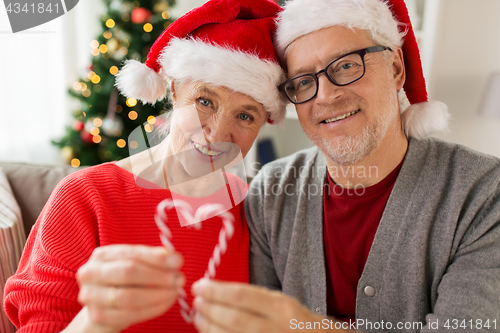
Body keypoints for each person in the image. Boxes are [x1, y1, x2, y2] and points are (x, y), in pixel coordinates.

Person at [189, 0, 500, 332]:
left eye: (347, 66)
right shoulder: (271, 192)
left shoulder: (483, 194)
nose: (325, 95)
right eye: (304, 82)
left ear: (396, 69)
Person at [3, 0, 287, 332]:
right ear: (174, 89)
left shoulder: (251, 212)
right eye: (205, 100)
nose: (218, 133)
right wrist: (98, 319)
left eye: (245, 115)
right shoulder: (85, 197)